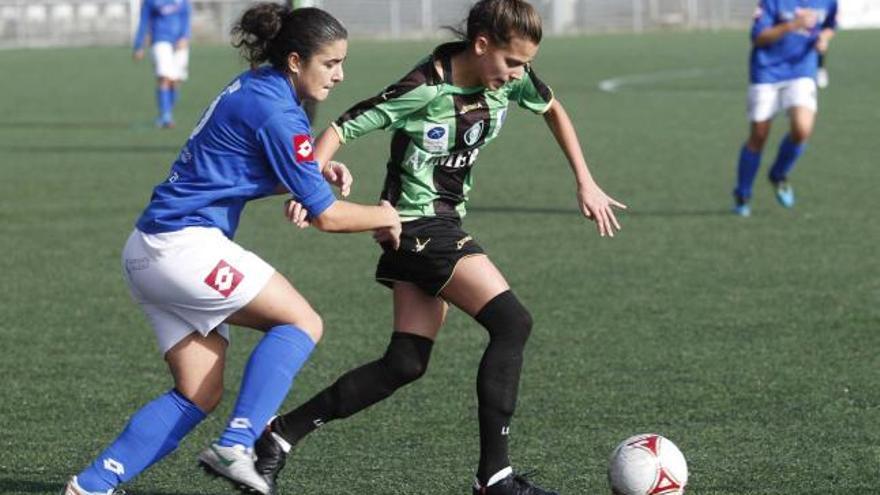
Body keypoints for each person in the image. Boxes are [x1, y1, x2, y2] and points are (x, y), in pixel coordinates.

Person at [253, 1, 625, 494]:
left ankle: (280, 436)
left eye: (527, 64)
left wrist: (586, 180)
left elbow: (553, 108)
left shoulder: (511, 80)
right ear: (481, 44)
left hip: (442, 223)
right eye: (512, 62)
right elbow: (344, 126)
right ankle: (495, 478)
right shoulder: (425, 87)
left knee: (405, 362)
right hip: (415, 225)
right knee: (512, 322)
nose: (519, 74)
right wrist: (308, 188)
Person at [62, 4, 400, 495]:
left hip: (148, 249)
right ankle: (236, 443)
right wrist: (387, 215)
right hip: (184, 247)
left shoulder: (256, 85)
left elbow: (239, 161)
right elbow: (328, 216)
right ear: (294, 60)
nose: (340, 75)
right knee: (301, 322)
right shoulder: (277, 110)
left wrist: (314, 174)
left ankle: (92, 485)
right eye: (330, 63)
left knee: (198, 391)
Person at [732, 0, 837, 217]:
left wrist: (824, 38)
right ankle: (743, 194)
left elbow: (830, 25)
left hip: (802, 70)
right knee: (759, 135)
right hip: (766, 71)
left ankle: (778, 174)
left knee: (802, 129)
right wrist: (792, 25)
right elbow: (758, 38)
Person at [133, 0, 192, 128]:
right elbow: (144, 21)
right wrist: (139, 45)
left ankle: (167, 113)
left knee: (176, 81)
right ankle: (165, 116)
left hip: (180, 43)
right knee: (165, 78)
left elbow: (186, 16)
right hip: (160, 40)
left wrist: (185, 36)